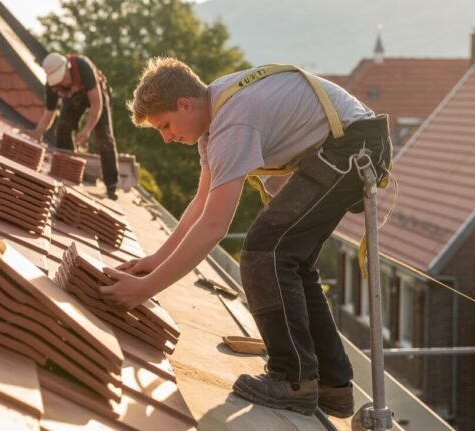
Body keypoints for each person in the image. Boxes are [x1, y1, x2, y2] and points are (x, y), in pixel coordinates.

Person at [100, 58, 392, 417]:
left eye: (165, 125)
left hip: (354, 148)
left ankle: (293, 380)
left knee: (263, 251)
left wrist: (147, 289)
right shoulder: (214, 118)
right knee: (290, 260)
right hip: (350, 145)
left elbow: (214, 226)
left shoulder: (232, 121)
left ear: (184, 105)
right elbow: (201, 204)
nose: (166, 137)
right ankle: (333, 385)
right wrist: (153, 261)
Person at [31, 52, 120, 200]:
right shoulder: (52, 85)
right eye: (60, 81)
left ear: (68, 67)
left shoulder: (84, 67)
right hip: (73, 98)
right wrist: (37, 132)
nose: (64, 83)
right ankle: (68, 173)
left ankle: (111, 187)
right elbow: (49, 113)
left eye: (64, 78)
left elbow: (96, 105)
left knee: (103, 137)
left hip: (95, 96)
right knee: (63, 128)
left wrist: (86, 130)